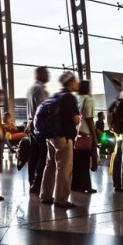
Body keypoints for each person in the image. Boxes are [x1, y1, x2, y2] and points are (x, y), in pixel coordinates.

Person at [40, 71, 80, 208]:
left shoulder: (56, 96)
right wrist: (78, 119)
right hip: (64, 137)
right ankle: (61, 199)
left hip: (51, 136)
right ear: (69, 82)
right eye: (75, 80)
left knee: (50, 165)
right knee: (64, 168)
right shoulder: (69, 97)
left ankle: (45, 195)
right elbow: (75, 120)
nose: (77, 83)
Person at [26, 66, 50, 194]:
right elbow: (43, 110)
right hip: (40, 126)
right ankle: (38, 183)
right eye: (46, 73)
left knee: (33, 155)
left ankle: (32, 182)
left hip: (31, 124)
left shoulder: (31, 89)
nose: (48, 75)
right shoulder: (40, 89)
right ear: (40, 74)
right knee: (44, 155)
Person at [72, 80, 98, 193]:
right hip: (86, 133)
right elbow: (90, 119)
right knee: (85, 161)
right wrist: (94, 135)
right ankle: (86, 186)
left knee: (77, 162)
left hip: (76, 133)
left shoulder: (77, 99)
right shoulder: (89, 99)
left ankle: (75, 185)